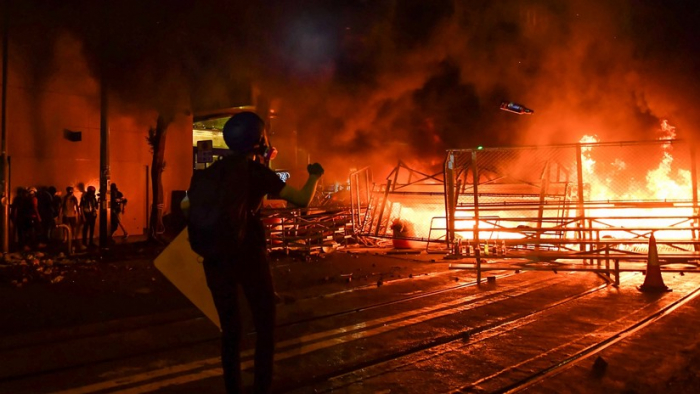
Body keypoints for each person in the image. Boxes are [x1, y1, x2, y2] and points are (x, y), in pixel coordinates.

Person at [185, 111, 324, 394]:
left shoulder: (207, 173)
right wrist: (314, 177)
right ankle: (261, 386)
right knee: (264, 325)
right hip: (249, 255)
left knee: (231, 331)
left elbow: (188, 208)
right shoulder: (256, 173)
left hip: (214, 257)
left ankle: (232, 388)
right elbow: (300, 200)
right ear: (259, 140)